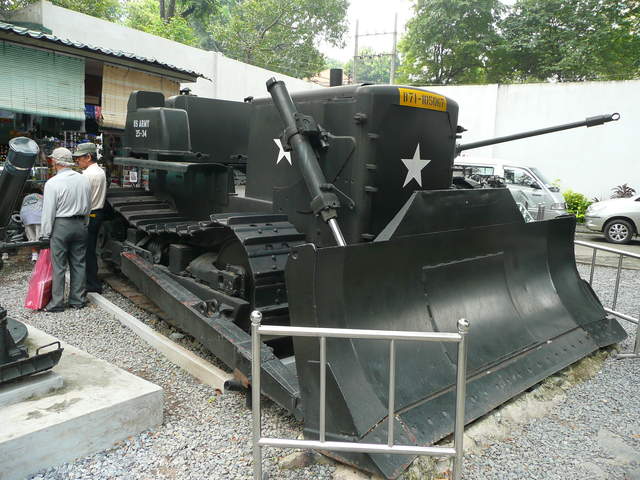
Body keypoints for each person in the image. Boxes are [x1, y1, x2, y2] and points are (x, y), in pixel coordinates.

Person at [40, 147, 91, 312]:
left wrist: (45, 233)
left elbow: (49, 212)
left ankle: (57, 303)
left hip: (61, 225)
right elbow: (88, 205)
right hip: (80, 224)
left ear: (56, 161)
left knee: (59, 265)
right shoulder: (83, 179)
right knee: (79, 263)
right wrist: (85, 223)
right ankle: (78, 300)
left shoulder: (52, 183)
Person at [74, 142, 106, 294]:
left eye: (79, 158)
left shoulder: (87, 175)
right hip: (97, 213)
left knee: (87, 251)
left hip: (89, 214)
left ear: (88, 157)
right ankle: (91, 281)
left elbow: (80, 199)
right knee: (90, 249)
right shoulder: (100, 171)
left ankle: (92, 284)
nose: (77, 161)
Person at [19, 184, 44, 262]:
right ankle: (42, 256)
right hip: (38, 216)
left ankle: (34, 256)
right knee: (40, 237)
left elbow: (22, 208)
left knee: (31, 238)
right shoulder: (42, 197)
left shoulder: (25, 198)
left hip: (26, 217)